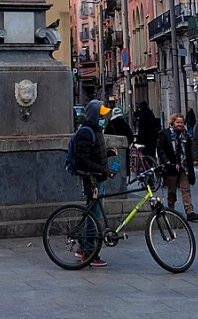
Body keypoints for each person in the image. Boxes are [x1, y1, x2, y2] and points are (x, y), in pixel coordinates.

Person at [72, 99, 116, 268]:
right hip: (93, 180)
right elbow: (82, 160)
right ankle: (90, 253)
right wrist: (103, 169)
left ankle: (83, 247)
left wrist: (107, 153)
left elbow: (92, 153)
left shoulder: (95, 130)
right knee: (94, 216)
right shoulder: (86, 132)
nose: (103, 118)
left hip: (98, 178)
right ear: (93, 115)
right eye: (101, 115)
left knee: (92, 213)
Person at [157, 113, 197, 220]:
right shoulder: (165, 134)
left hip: (184, 166)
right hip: (171, 166)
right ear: (173, 122)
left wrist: (194, 159)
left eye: (181, 122)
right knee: (172, 189)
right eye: (177, 122)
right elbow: (160, 148)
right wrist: (166, 161)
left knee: (185, 189)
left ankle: (189, 211)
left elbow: (190, 149)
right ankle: (171, 208)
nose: (180, 124)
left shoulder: (186, 135)